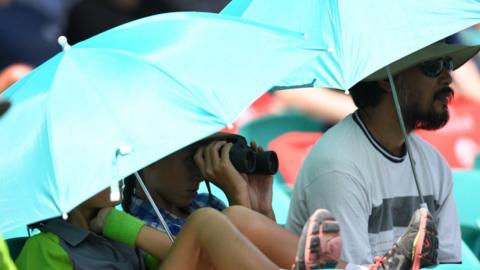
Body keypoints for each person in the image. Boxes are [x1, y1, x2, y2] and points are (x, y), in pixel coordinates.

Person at [287, 40, 480, 268]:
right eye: (432, 66)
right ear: (386, 79)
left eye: (448, 64)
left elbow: (449, 265)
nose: (448, 78)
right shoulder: (338, 166)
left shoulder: (433, 163)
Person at [15, 184, 343, 270]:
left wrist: (123, 228)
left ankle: (353, 268)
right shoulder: (45, 247)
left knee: (234, 219)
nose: (113, 169)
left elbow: (191, 257)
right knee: (204, 222)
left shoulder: (117, 225)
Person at [122, 133, 275, 237]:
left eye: (202, 157)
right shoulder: (140, 230)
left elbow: (275, 260)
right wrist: (239, 199)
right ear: (151, 159)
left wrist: (261, 209)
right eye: (190, 160)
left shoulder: (206, 203)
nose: (199, 173)